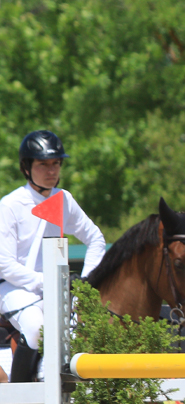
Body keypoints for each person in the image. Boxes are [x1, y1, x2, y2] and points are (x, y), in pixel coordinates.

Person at [0, 131, 105, 380]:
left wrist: (86, 284)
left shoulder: (64, 199)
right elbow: (5, 265)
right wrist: (43, 282)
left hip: (55, 289)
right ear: (27, 168)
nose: (51, 171)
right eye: (43, 164)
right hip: (14, 288)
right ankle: (19, 392)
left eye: (56, 163)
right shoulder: (10, 205)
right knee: (37, 330)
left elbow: (96, 239)